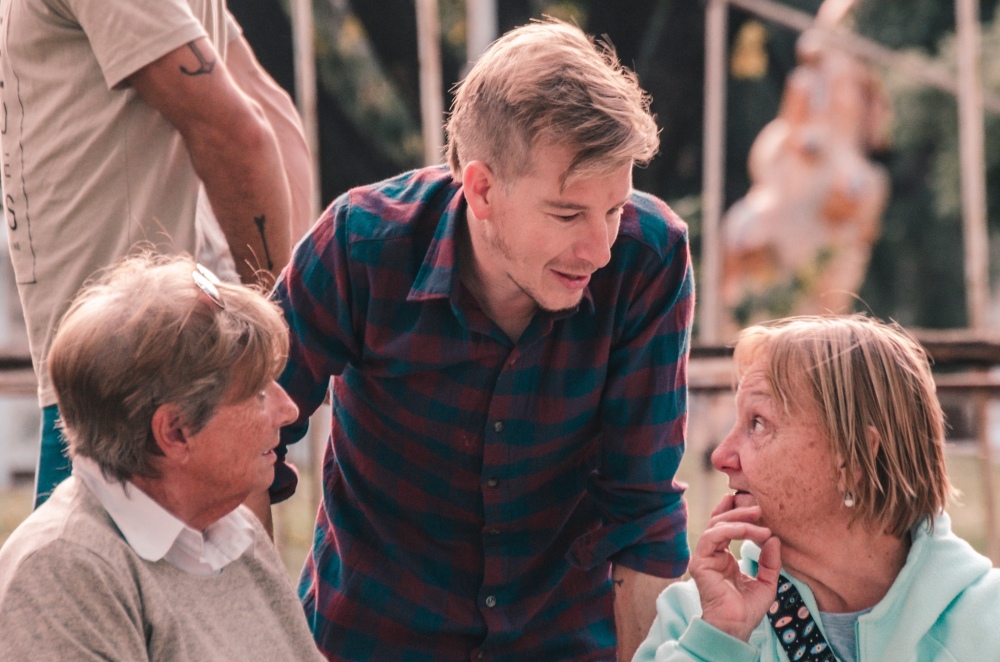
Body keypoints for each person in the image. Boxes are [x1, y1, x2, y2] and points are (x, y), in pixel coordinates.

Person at [271, 18, 695, 662]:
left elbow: (643, 516)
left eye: (614, 209)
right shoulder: (359, 245)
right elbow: (242, 433)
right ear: (483, 189)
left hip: (562, 641)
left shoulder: (648, 257)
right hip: (368, 638)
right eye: (567, 213)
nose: (600, 249)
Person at [0, 0, 313, 508]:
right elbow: (268, 113)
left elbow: (245, 134)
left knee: (67, 581)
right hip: (170, 381)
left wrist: (267, 349)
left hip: (123, 389)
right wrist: (273, 344)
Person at [0, 253, 324, 661]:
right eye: (258, 394)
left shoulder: (233, 532)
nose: (288, 411)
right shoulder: (63, 570)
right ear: (174, 432)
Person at [635, 315, 1000, 662]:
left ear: (855, 460)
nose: (722, 456)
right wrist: (720, 638)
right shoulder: (694, 619)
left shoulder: (988, 622)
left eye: (758, 424)